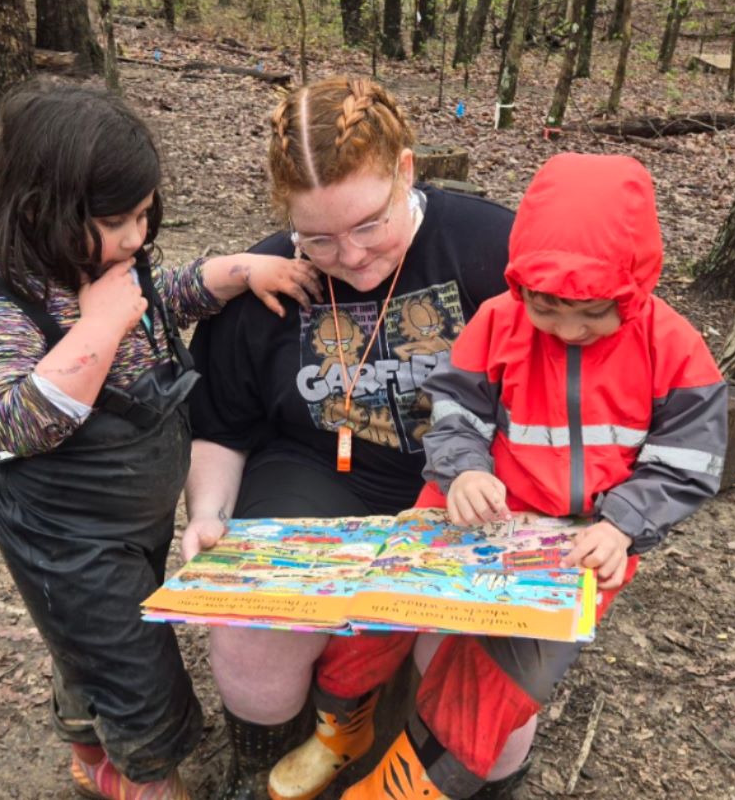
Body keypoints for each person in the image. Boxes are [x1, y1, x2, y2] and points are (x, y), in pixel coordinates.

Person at [269, 152, 730, 799]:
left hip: (584, 539)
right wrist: (461, 472)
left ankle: (411, 784)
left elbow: (691, 458)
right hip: (469, 504)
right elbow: (455, 406)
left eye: (594, 313)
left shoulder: (672, 347)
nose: (568, 330)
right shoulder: (501, 321)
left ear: (635, 285)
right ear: (523, 285)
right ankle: (340, 726)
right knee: (379, 609)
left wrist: (625, 523)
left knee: (502, 679)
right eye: (547, 307)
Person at [0, 83, 319, 800]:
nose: (137, 238)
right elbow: (15, 419)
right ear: (40, 208)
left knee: (92, 641)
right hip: (65, 529)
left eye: (145, 215)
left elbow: (170, 295)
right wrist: (97, 326)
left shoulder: (112, 262)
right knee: (133, 665)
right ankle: (148, 777)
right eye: (118, 221)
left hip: (135, 512)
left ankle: (90, 754)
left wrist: (241, 271)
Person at [179, 76, 518, 798]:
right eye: (320, 238)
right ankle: (265, 758)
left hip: (467, 485)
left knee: (479, 646)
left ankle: (448, 776)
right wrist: (208, 516)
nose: (354, 258)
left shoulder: (493, 249)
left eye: (369, 225)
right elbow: (222, 424)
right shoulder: (268, 277)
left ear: (406, 172)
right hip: (314, 475)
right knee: (249, 624)